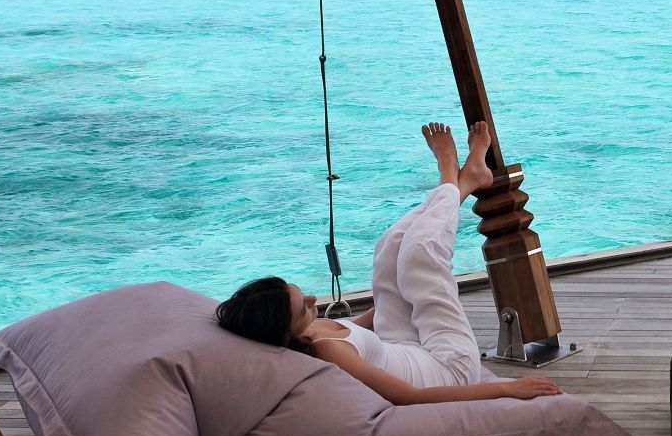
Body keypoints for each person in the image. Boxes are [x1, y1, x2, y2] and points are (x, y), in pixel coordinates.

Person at [216, 120, 561, 405]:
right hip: (446, 364)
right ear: (284, 330)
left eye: (301, 293)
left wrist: (389, 294)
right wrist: (505, 389)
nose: (312, 301)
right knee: (420, 254)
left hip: (398, 343)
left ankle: (465, 181)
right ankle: (453, 177)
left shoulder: (307, 331)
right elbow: (408, 396)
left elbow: (364, 326)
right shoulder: (325, 350)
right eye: (303, 308)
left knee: (390, 247)